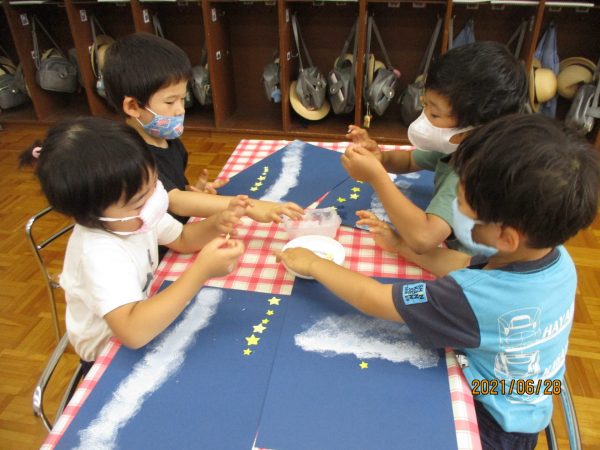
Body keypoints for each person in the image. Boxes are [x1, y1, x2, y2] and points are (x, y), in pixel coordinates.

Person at [276, 114, 600, 450]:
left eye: (465, 207)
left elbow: (375, 298)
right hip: (528, 403)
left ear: (506, 236)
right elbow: (465, 262)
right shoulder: (557, 259)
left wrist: (314, 263)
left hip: (490, 423)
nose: (456, 206)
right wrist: (405, 248)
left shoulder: (470, 299)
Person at [19, 117, 246, 364]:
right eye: (139, 200)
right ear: (90, 216)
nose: (154, 202)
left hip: (142, 320)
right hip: (109, 357)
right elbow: (133, 332)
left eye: (154, 185)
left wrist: (215, 224)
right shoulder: (99, 252)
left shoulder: (134, 218)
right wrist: (201, 271)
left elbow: (181, 237)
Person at [103, 33, 303, 231]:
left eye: (182, 99)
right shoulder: (130, 156)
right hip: (158, 247)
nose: (180, 110)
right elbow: (174, 201)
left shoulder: (166, 139)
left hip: (179, 230)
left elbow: (175, 192)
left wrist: (196, 193)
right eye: (170, 101)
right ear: (132, 106)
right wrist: (251, 207)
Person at [343, 41, 527, 254]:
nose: (424, 118)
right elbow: (411, 160)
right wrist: (380, 159)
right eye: (425, 105)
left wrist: (376, 176)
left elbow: (423, 238)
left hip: (474, 264)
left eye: (435, 114)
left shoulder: (472, 172)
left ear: (475, 128)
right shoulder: (459, 144)